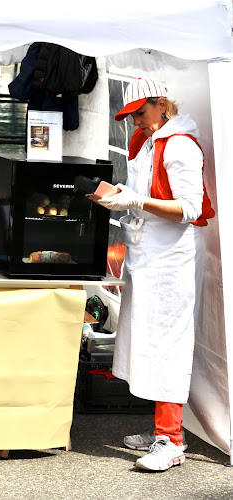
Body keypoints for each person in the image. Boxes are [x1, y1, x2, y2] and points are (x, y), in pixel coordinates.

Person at [97, 77, 215, 472]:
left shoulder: (179, 144)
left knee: (167, 342)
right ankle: (161, 431)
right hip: (149, 253)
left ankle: (172, 440)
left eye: (141, 114)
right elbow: (145, 197)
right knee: (146, 339)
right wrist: (122, 200)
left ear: (162, 103)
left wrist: (135, 200)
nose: (135, 123)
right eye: (130, 117)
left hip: (172, 258)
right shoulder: (149, 141)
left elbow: (189, 209)